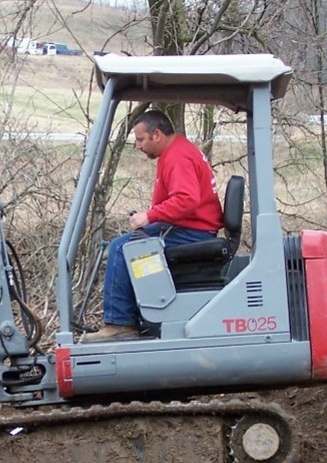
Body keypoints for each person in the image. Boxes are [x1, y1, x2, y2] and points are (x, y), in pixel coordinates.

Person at [84, 110, 224, 342]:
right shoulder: (178, 151)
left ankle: (120, 323)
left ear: (156, 134)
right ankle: (139, 315)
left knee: (122, 248)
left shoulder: (178, 156)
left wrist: (149, 216)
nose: (138, 146)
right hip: (191, 228)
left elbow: (187, 200)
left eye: (140, 139)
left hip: (193, 232)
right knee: (131, 243)